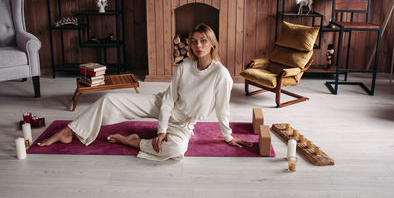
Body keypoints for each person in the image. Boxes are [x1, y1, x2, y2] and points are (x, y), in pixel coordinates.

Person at [39, 24, 253, 161]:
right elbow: (168, 100)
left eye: (203, 40)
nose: (198, 45)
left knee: (176, 152)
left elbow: (223, 109)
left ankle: (132, 141)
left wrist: (228, 136)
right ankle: (70, 131)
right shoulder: (186, 66)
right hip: (162, 106)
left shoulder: (221, 75)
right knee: (109, 100)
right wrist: (161, 130)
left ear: (212, 43)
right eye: (194, 41)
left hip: (184, 123)